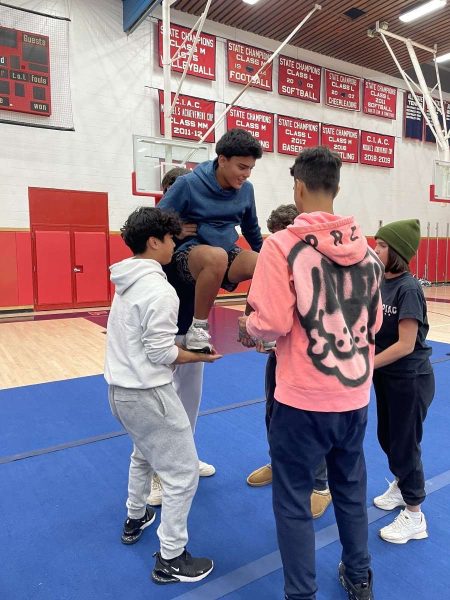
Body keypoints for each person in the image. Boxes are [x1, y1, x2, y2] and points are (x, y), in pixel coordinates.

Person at [238, 146, 383, 600]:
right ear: (336, 188)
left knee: (294, 501)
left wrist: (248, 326)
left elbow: (273, 323)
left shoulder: (280, 247)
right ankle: (359, 577)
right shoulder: (372, 254)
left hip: (302, 400)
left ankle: (301, 593)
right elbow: (374, 324)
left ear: (297, 187)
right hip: (355, 396)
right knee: (350, 489)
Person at [105, 206, 221, 584]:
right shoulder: (159, 290)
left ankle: (135, 516)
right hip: (148, 395)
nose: (177, 245)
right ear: (154, 241)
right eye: (172, 239)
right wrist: (200, 355)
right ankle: (171, 556)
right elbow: (161, 352)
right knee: (182, 473)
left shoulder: (126, 281)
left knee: (143, 453)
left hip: (119, 393)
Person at [246, 204, 332, 520]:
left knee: (313, 424)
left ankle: (321, 484)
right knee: (274, 413)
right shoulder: (275, 261)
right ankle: (279, 462)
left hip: (311, 360)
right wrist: (253, 328)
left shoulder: (318, 265)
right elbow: (260, 305)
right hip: (279, 355)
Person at [158, 128, 264, 353]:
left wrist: (272, 255)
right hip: (190, 253)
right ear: (223, 160)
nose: (246, 174)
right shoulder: (187, 184)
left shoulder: (246, 190)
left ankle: (250, 323)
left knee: (265, 262)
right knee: (217, 257)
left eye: (251, 169)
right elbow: (155, 221)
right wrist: (176, 229)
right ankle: (198, 327)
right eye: (242, 167)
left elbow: (251, 229)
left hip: (225, 251)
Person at [147, 167, 216, 507]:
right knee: (161, 406)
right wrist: (171, 234)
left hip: (192, 330)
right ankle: (158, 472)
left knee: (189, 402)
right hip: (162, 334)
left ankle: (185, 458)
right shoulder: (153, 242)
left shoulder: (202, 237)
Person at [372, 219, 434, 544]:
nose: (375, 249)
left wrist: (366, 365)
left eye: (382, 246)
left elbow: (406, 344)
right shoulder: (382, 282)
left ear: (396, 252)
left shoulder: (408, 288)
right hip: (387, 375)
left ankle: (414, 514)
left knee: (405, 445)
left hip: (410, 378)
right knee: (388, 438)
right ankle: (400, 484)